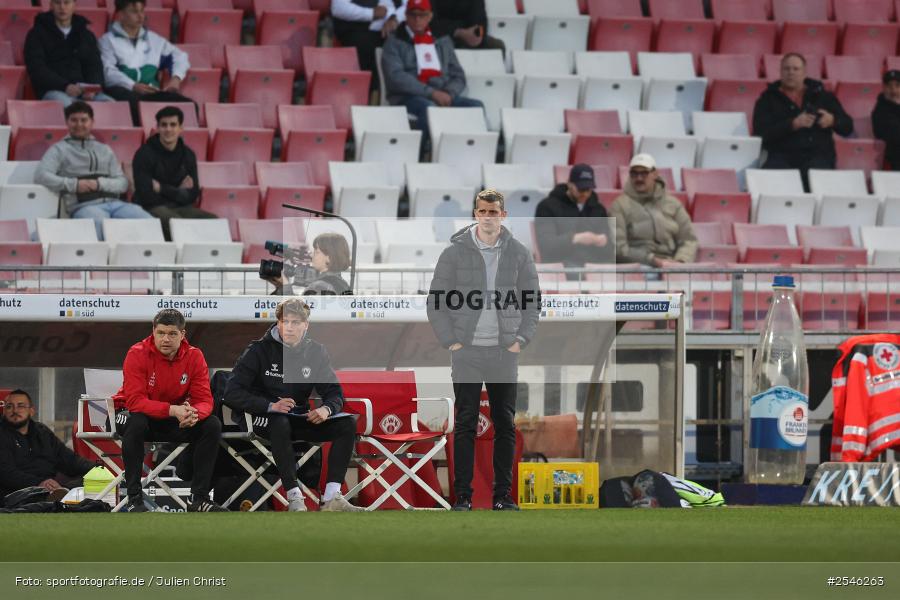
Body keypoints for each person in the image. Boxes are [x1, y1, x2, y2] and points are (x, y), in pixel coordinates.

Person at [427, 189, 540, 511]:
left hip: (504, 353)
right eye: (482, 211)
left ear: (503, 215)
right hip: (467, 353)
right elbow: (436, 302)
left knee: (505, 424)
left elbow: (532, 303)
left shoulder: (519, 253)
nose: (488, 217)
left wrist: (521, 340)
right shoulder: (454, 253)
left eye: (493, 212)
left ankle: (503, 496)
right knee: (465, 423)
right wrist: (453, 342)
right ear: (475, 214)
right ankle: (462, 497)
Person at [224, 298, 363, 512]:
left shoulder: (316, 351)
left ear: (306, 325)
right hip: (260, 418)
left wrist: (326, 409)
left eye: (296, 322)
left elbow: (335, 394)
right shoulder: (258, 350)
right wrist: (270, 405)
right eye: (285, 321)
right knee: (279, 420)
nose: (289, 327)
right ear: (278, 323)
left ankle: (332, 497)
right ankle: (294, 496)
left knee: (346, 424)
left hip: (297, 417)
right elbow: (231, 393)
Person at [112, 309, 227, 512]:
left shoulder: (194, 356)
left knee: (211, 424)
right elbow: (135, 402)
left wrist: (194, 414)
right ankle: (134, 498)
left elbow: (204, 400)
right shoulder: (137, 353)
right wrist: (173, 410)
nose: (166, 339)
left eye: (172, 334)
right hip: (130, 414)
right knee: (136, 422)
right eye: (161, 333)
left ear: (183, 335)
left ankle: (198, 499)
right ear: (153, 332)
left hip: (171, 419)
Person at [35, 101, 152, 240]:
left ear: (92, 122)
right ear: (67, 122)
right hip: (83, 207)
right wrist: (75, 185)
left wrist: (99, 184)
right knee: (100, 224)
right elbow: (41, 175)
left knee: (147, 221)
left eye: (84, 120)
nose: (79, 125)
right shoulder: (58, 149)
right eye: (74, 120)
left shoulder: (104, 149)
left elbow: (122, 183)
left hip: (116, 204)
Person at [381, 0, 484, 142]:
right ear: (406, 15)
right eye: (413, 15)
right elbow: (396, 77)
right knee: (429, 108)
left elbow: (458, 74)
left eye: (422, 15)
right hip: (408, 97)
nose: (417, 20)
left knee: (476, 107)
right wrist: (432, 93)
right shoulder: (394, 41)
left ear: (430, 16)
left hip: (443, 93)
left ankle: (465, 153)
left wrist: (449, 93)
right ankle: (420, 154)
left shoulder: (442, 39)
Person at [752, 52, 853, 190]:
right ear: (780, 72)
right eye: (786, 69)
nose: (790, 73)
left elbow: (848, 127)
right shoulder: (766, 100)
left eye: (795, 69)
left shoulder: (823, 96)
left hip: (818, 156)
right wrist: (792, 124)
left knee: (819, 177)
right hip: (782, 156)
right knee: (769, 180)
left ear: (805, 73)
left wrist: (833, 120)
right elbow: (761, 135)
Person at [98, 0, 192, 125]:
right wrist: (133, 85)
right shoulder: (107, 40)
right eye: (134, 12)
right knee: (137, 104)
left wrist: (176, 79)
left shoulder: (154, 39)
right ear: (120, 15)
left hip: (150, 92)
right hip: (122, 90)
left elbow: (180, 57)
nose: (140, 16)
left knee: (189, 106)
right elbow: (108, 72)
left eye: (142, 11)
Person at [131, 105, 213, 240]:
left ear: (181, 128)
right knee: (177, 224)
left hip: (179, 207)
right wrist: (178, 192)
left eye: (173, 125)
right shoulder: (144, 154)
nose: (168, 129)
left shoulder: (188, 155)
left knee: (214, 222)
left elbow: (192, 195)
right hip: (150, 207)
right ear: (157, 128)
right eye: (164, 125)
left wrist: (161, 188)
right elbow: (146, 195)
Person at [0, 389, 94, 500]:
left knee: (96, 478)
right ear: (4, 411)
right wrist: (39, 483)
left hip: (50, 489)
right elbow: (5, 473)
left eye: (21, 406)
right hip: (16, 492)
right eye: (9, 406)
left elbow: (70, 460)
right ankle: (59, 496)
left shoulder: (42, 433)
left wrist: (97, 469)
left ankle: (62, 493)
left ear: (31, 411)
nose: (15, 410)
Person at [610, 154, 697, 267]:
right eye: (634, 174)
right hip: (639, 266)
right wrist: (653, 261)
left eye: (644, 173)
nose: (639, 178)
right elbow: (618, 248)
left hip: (672, 264)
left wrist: (680, 262)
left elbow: (689, 240)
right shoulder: (619, 206)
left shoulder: (674, 204)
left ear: (655, 174)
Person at [24, 0, 114, 107]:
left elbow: (95, 66)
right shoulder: (36, 34)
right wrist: (65, 86)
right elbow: (37, 69)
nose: (62, 7)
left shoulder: (86, 35)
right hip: (54, 91)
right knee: (68, 106)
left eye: (66, 2)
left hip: (83, 92)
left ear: (74, 5)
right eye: (58, 3)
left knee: (110, 105)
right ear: (51, 5)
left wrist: (92, 89)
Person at [534, 164, 611, 268]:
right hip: (561, 265)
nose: (584, 194)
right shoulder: (547, 206)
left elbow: (609, 247)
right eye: (580, 189)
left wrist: (603, 241)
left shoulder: (598, 209)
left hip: (595, 265)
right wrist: (575, 238)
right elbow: (546, 245)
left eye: (588, 190)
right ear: (569, 184)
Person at [331, 0, 404, 84]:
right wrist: (371, 13)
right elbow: (338, 8)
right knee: (365, 47)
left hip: (394, 25)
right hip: (360, 28)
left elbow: (410, 5)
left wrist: (395, 18)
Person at [430, 0, 505, 52]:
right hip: (439, 37)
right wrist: (458, 31)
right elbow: (430, 23)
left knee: (498, 45)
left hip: (468, 37)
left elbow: (481, 24)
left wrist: (478, 36)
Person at [872, 69, 900, 171]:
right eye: (889, 86)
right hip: (894, 157)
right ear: (884, 88)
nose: (894, 91)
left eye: (897, 86)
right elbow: (891, 136)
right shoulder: (880, 110)